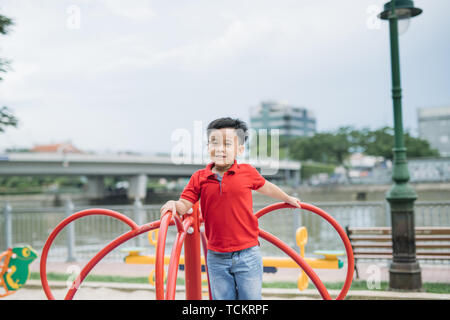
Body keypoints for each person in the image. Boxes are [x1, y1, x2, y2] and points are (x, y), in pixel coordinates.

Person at [160, 117, 301, 300]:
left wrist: (287, 198)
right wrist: (174, 205)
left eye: (227, 144)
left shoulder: (247, 172)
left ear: (240, 149)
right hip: (217, 256)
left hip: (247, 252)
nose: (219, 149)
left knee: (250, 300)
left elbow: (267, 187)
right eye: (214, 142)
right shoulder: (199, 177)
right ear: (208, 146)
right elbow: (184, 204)